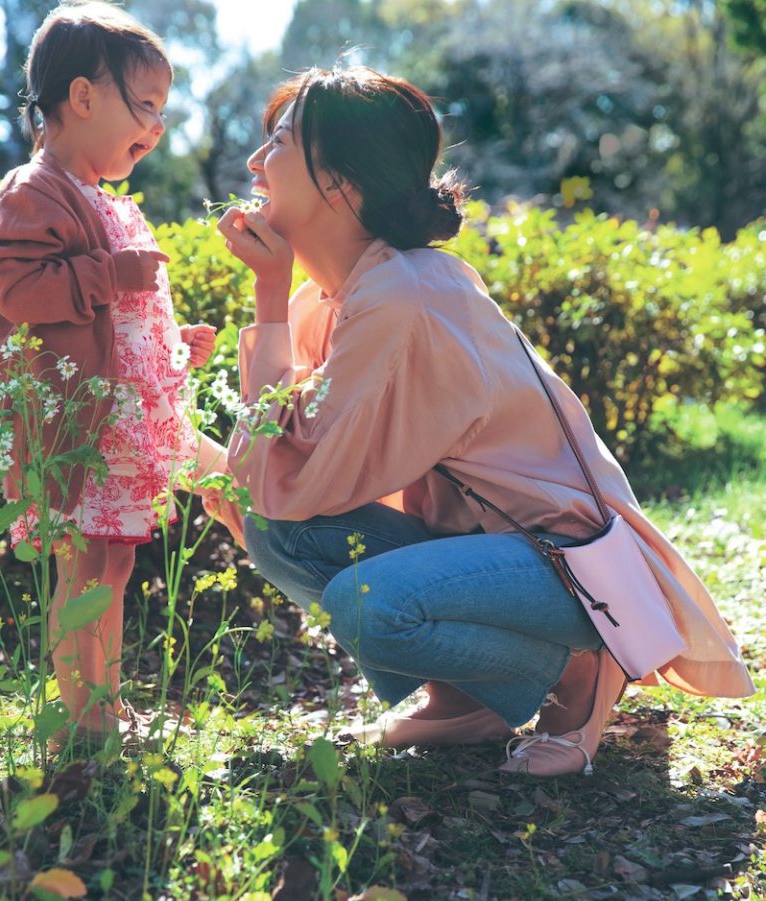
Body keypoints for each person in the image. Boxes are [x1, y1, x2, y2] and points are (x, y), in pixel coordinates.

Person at [211, 66, 754, 776]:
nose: (255, 162)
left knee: (367, 602)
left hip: (569, 561)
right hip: (491, 548)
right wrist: (273, 301)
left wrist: (267, 291)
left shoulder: (403, 293)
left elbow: (302, 468)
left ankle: (582, 666)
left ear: (340, 183)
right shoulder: (338, 297)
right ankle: (466, 698)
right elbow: (280, 485)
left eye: (278, 141)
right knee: (280, 533)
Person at [0, 1, 225, 738]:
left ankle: (106, 702)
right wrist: (109, 274)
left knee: (114, 569)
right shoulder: (31, 193)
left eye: (164, 110)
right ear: (84, 97)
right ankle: (79, 716)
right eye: (146, 106)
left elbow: (117, 309)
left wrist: (169, 339)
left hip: (116, 428)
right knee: (82, 571)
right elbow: (20, 292)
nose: (158, 127)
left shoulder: (105, 200)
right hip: (76, 430)